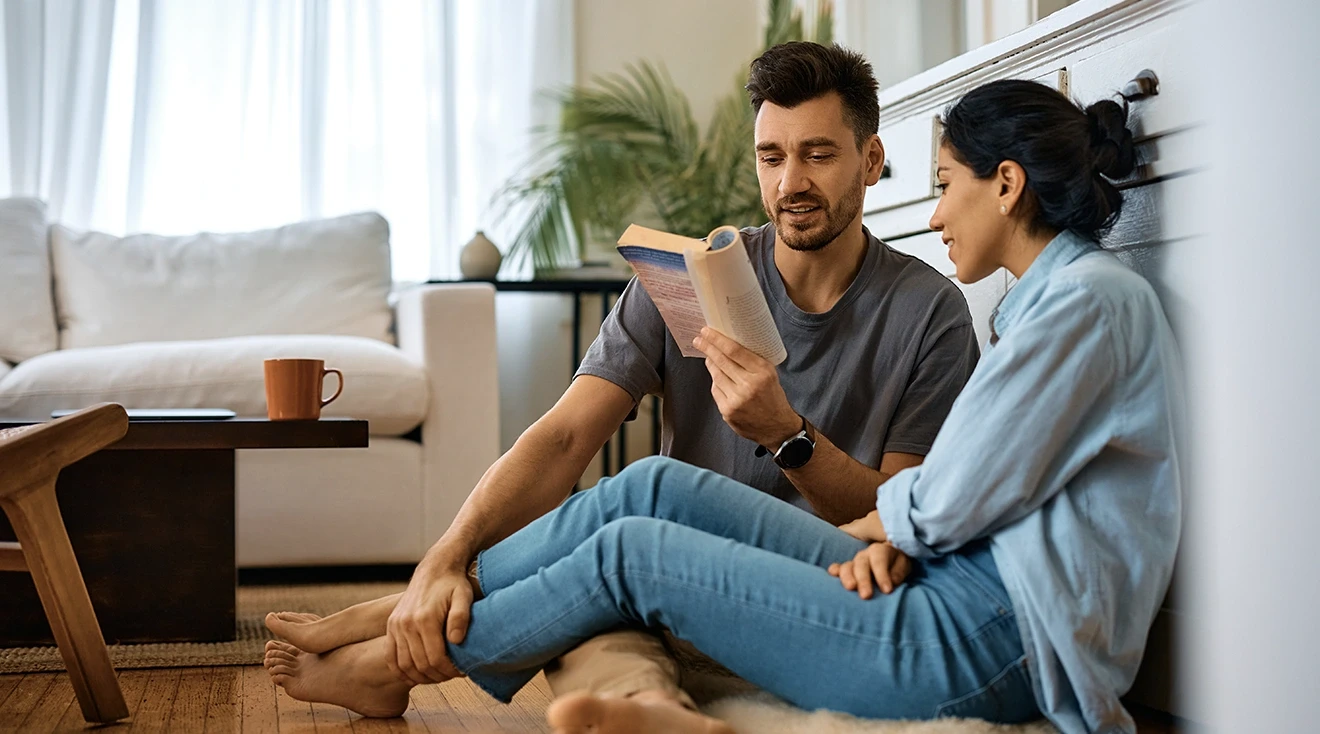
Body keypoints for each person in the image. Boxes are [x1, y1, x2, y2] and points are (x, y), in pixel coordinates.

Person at [264, 77, 1182, 734]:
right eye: (772, 157)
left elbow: (946, 493)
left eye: (944, 186)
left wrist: (848, 492)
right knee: (652, 485)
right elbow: (566, 436)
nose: (937, 213)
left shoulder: (1058, 304)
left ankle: (393, 659)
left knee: (628, 555)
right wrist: (445, 557)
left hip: (980, 625)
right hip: (936, 584)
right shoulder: (1046, 298)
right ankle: (403, 613)